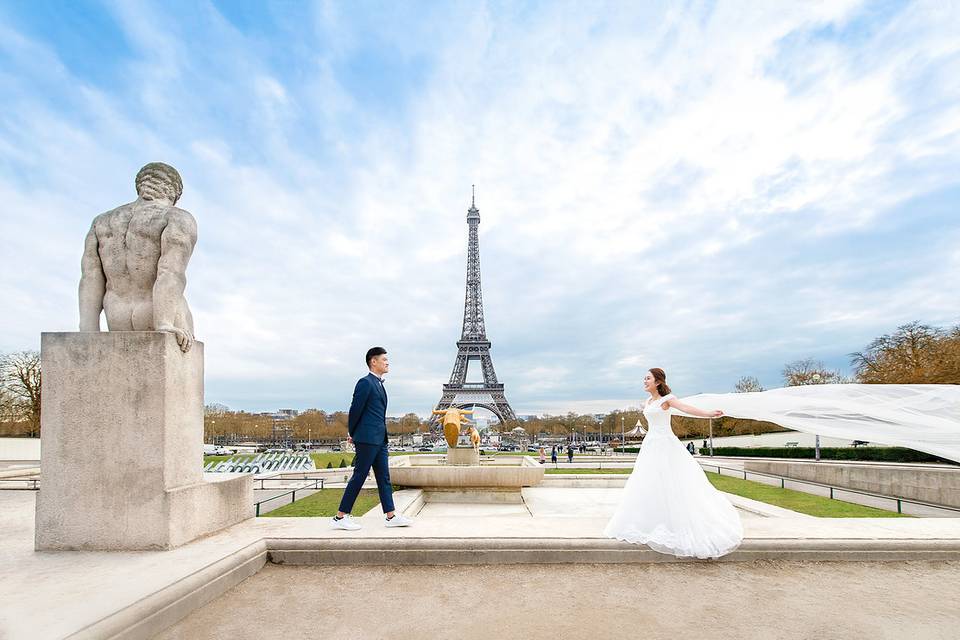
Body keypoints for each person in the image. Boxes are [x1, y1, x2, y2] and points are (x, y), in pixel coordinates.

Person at [603, 368, 743, 559]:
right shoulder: (649, 401)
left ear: (657, 382)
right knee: (649, 483)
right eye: (644, 378)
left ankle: (676, 523)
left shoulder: (667, 399)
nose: (644, 381)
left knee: (672, 481)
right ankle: (652, 521)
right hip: (650, 445)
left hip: (665, 445)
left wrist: (708, 414)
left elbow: (686, 408)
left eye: (648, 378)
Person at [332, 347, 413, 531]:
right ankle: (340, 517)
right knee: (359, 476)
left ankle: (390, 516)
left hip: (379, 439)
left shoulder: (379, 384)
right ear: (373, 361)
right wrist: (353, 433)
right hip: (367, 438)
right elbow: (355, 410)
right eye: (384, 359)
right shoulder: (365, 383)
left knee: (384, 478)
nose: (387, 362)